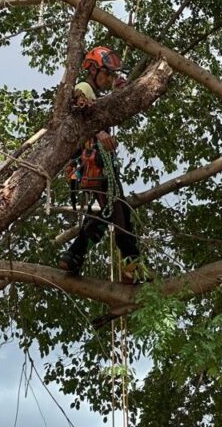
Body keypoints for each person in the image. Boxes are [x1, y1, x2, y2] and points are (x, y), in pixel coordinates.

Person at [59, 46, 143, 284]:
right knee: (119, 212)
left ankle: (74, 255)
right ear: (93, 70)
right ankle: (131, 268)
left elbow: (99, 108)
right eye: (106, 74)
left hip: (97, 165)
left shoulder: (98, 95)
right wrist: (100, 133)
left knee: (108, 213)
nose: (109, 79)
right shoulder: (85, 88)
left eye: (111, 75)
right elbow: (80, 102)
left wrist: (117, 94)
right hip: (94, 163)